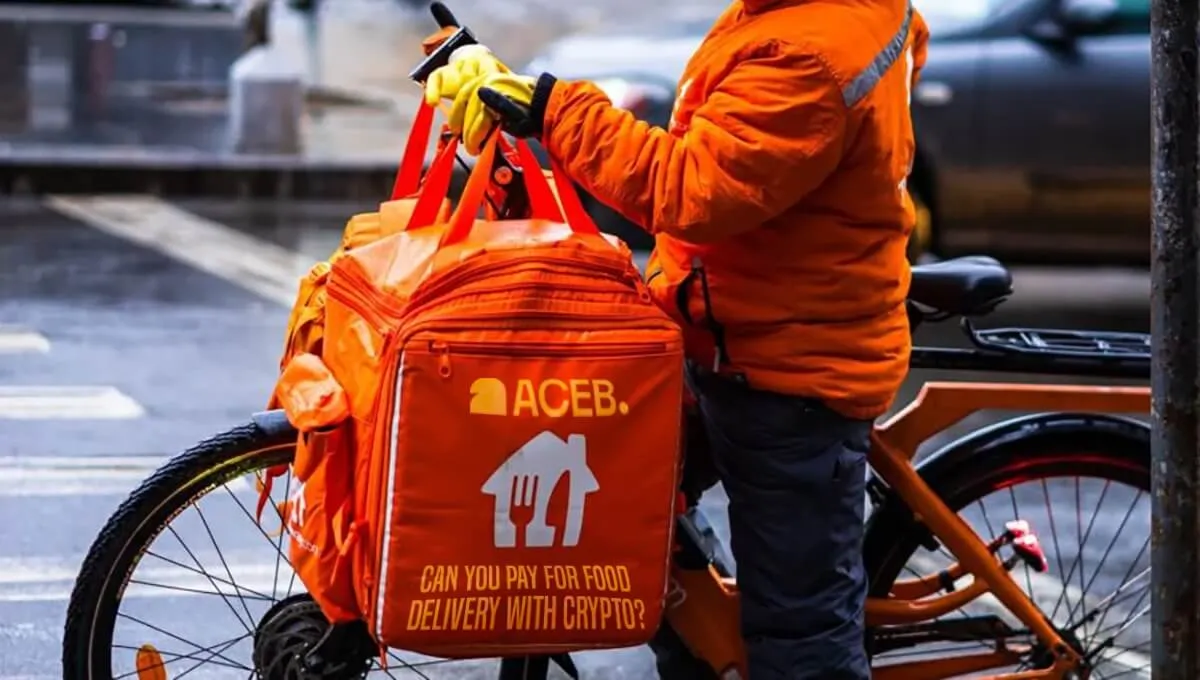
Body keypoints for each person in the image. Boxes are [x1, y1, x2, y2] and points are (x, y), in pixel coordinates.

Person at [424, 1, 929, 677]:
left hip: (787, 372)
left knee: (801, 641)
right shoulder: (803, 15)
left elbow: (688, 189)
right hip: (724, 330)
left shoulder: (808, 51)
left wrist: (552, 110)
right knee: (635, 522)